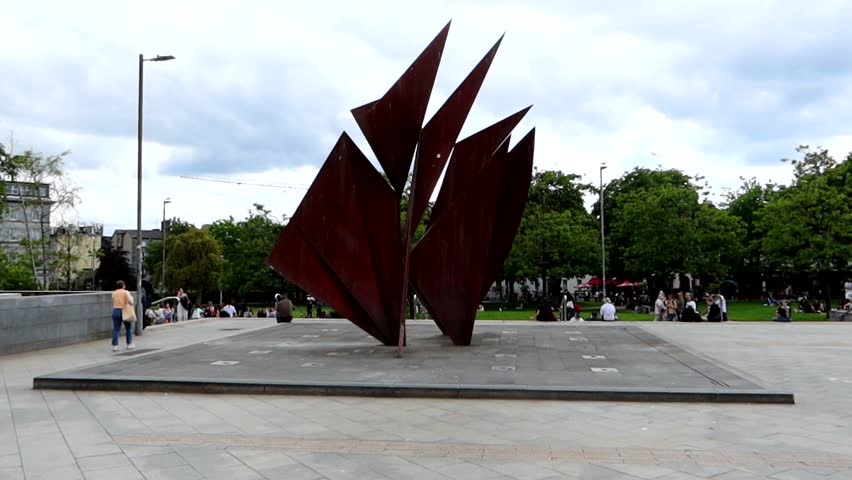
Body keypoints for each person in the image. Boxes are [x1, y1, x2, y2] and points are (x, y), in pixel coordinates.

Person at [111, 280, 136, 352]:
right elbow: (131, 301)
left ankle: (115, 346)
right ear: (123, 286)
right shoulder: (126, 292)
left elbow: (113, 301)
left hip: (115, 311)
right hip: (125, 311)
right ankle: (129, 344)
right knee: (128, 328)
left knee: (116, 329)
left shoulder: (114, 293)